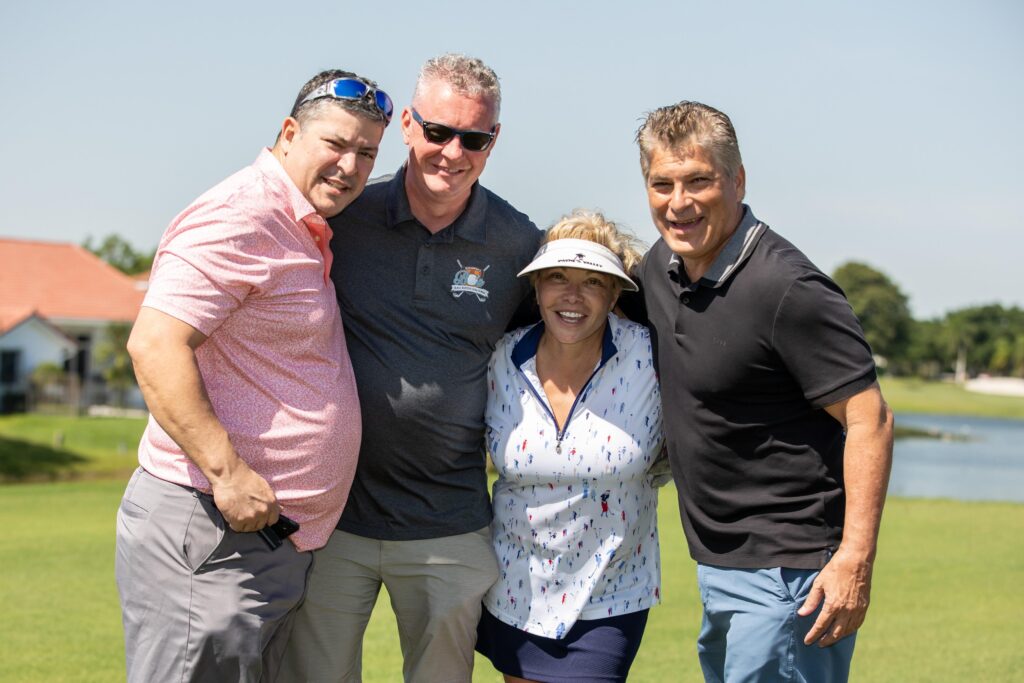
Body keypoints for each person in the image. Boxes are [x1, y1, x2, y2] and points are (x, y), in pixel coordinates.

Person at [115, 69, 392, 682]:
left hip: (264, 540)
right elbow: (155, 345)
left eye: (367, 153)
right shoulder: (240, 215)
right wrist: (227, 472)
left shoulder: (302, 225)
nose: (350, 166)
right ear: (289, 133)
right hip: (212, 527)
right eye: (335, 144)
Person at [279, 54, 542, 682]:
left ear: (493, 141)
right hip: (331, 518)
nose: (453, 152)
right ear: (407, 126)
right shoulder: (342, 217)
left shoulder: (518, 243)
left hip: (449, 525)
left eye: (473, 138)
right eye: (438, 131)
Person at [634, 101, 895, 682]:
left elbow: (870, 420)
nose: (679, 202)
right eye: (662, 184)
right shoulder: (660, 267)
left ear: (737, 180)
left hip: (791, 573)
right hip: (719, 564)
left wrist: (855, 559)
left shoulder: (788, 288)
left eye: (699, 181)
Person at [474, 210, 667, 683]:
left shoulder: (653, 357)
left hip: (613, 592)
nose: (572, 295)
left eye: (593, 281)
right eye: (557, 277)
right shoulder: (500, 358)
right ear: (536, 287)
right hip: (515, 588)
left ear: (615, 294)